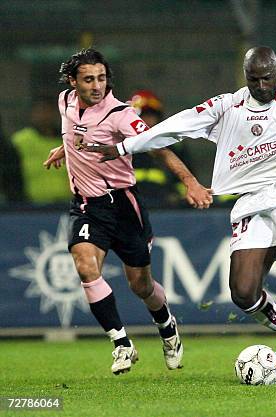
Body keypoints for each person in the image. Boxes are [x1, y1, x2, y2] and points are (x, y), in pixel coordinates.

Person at [86, 46, 276, 375]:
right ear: (245, 76)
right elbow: (174, 126)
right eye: (254, 79)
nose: (262, 85)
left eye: (268, 78)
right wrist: (123, 146)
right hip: (251, 201)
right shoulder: (227, 105)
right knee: (243, 294)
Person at [43, 48, 212, 375]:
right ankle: (121, 344)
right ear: (72, 81)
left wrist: (191, 182)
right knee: (85, 267)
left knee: (140, 285)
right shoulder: (65, 101)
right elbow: (77, 134)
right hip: (86, 205)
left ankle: (167, 327)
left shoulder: (120, 115)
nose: (96, 85)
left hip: (123, 206)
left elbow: (159, 148)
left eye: (102, 78)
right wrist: (62, 148)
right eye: (89, 79)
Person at [129, 89, 186, 207]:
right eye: (143, 116)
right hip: (130, 208)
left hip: (166, 208)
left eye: (151, 116)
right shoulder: (122, 146)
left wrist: (176, 197)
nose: (147, 121)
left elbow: (184, 182)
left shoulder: (173, 145)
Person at [11, 99, 72, 204]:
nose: (45, 116)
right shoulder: (20, 140)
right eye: (40, 111)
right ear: (32, 114)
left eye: (48, 111)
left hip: (67, 204)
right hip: (31, 206)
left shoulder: (67, 141)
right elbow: (12, 174)